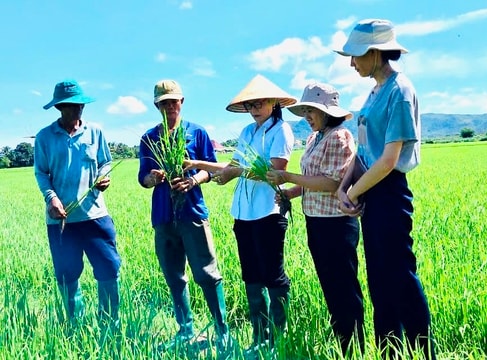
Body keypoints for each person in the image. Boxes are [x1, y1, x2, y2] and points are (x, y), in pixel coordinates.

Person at [335, 19, 436, 359]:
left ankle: (423, 352)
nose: (352, 63)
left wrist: (353, 192)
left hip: (389, 192)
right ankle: (388, 351)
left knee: (400, 276)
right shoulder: (375, 91)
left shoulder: (400, 89)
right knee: (378, 279)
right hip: (369, 190)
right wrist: (344, 188)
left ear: (375, 52)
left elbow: (389, 159)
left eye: (356, 56)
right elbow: (364, 152)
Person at [183, 74, 296, 357]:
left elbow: (273, 171)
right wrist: (198, 164)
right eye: (250, 105)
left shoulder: (281, 130)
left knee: (273, 275)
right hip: (244, 213)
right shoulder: (248, 132)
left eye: (259, 103)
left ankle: (276, 339)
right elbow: (232, 165)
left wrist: (234, 172)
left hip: (268, 211)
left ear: (273, 103)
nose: (254, 108)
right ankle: (259, 336)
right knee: (252, 275)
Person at [266, 83, 364, 356]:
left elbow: (333, 183)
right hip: (316, 222)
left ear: (328, 112)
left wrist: (288, 177)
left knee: (343, 286)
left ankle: (354, 346)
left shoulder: (339, 137)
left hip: (336, 223)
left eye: (312, 110)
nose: (307, 116)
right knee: (330, 285)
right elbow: (311, 181)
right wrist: (291, 192)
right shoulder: (314, 138)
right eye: (306, 110)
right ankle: (344, 343)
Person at [138, 79, 231, 355]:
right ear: (157, 106)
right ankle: (185, 329)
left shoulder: (197, 133)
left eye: (173, 101)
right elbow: (142, 178)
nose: (169, 106)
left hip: (192, 212)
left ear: (182, 102)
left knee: (207, 273)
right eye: (164, 102)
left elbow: (212, 170)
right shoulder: (149, 138)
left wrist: (193, 181)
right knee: (174, 275)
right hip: (164, 216)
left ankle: (221, 330)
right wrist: (153, 178)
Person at [34, 79, 121, 327]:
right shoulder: (45, 137)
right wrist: (52, 199)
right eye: (71, 105)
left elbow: (105, 162)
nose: (77, 109)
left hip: (95, 216)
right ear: (59, 107)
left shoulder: (95, 132)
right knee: (67, 273)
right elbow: (41, 173)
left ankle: (109, 324)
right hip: (61, 220)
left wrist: (104, 176)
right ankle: (76, 325)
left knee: (108, 268)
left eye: (80, 104)